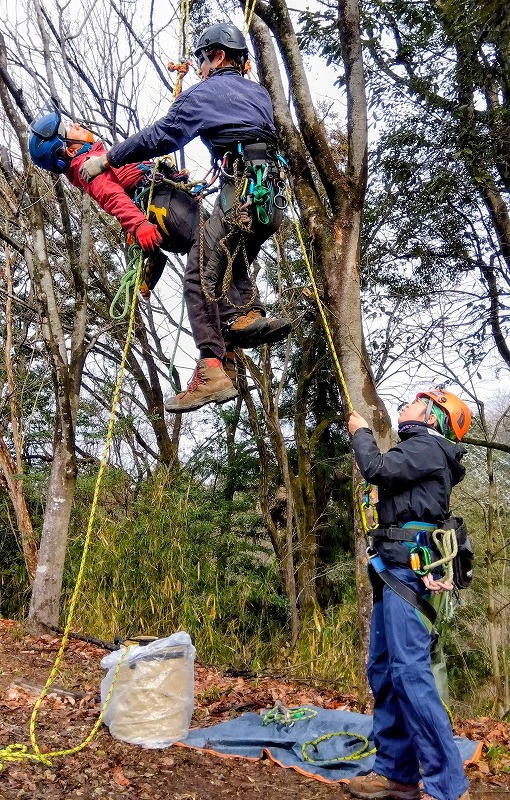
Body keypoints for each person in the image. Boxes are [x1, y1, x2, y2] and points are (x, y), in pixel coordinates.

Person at [79, 22, 292, 413]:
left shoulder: (204, 93)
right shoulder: (257, 92)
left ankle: (212, 370)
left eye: (203, 60)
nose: (199, 69)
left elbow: (162, 136)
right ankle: (243, 322)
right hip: (272, 201)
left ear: (218, 56)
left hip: (242, 191)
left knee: (199, 272)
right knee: (227, 257)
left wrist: (108, 159)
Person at [347, 388, 472, 800]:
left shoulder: (429, 448)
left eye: (419, 400)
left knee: (409, 673)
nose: (407, 403)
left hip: (407, 572)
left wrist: (361, 433)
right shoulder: (421, 452)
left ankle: (447, 786)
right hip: (393, 569)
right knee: (384, 669)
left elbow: (376, 468)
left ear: (433, 417)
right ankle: (396, 773)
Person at [28, 99, 199, 300]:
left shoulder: (95, 158)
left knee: (213, 241)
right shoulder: (87, 165)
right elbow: (112, 196)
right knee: (208, 246)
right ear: (71, 150)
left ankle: (154, 254)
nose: (77, 124)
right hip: (158, 203)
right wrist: (139, 225)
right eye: (69, 128)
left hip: (163, 196)